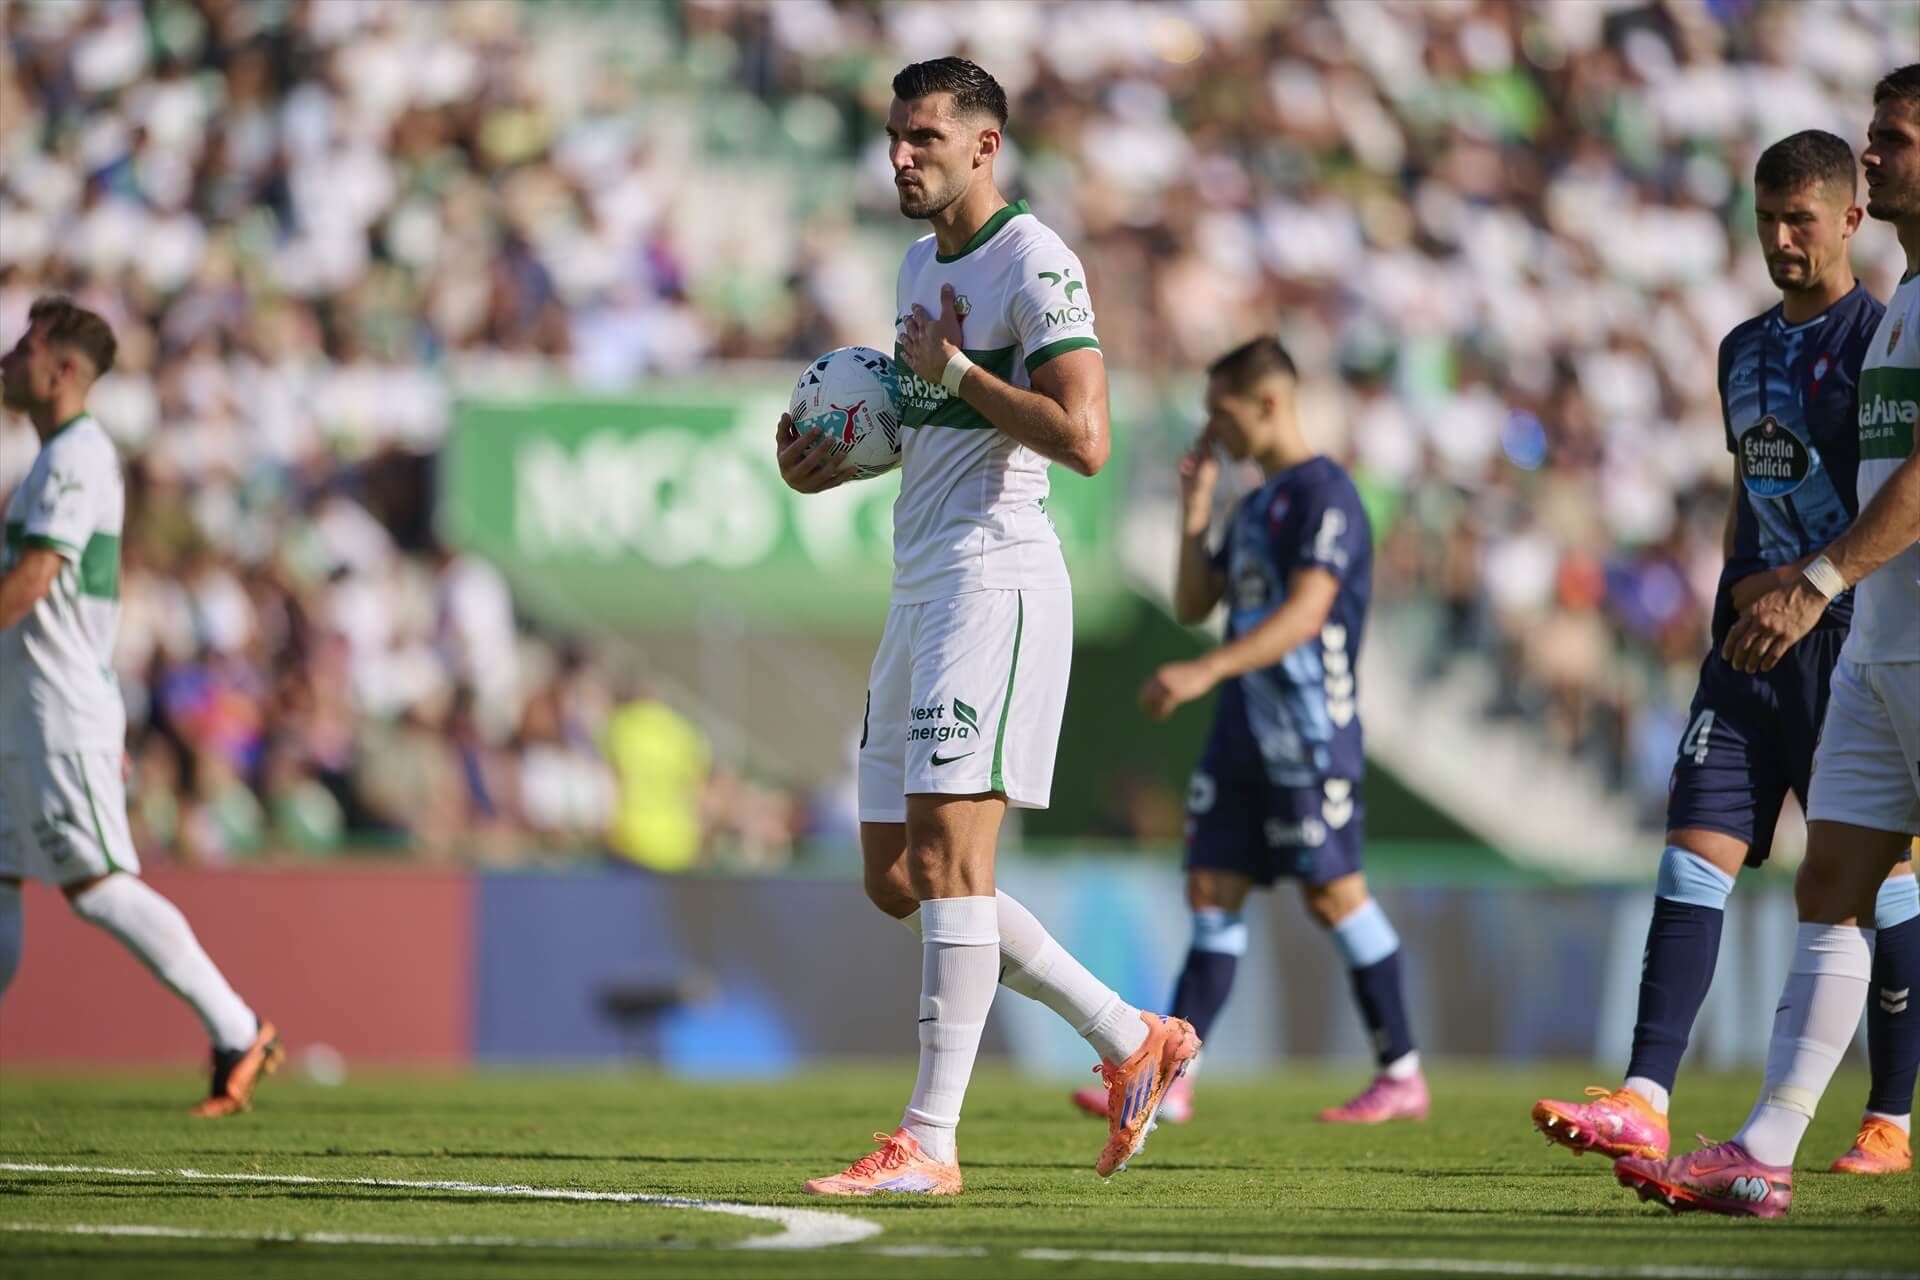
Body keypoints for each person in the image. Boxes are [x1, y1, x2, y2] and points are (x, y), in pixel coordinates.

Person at [775, 57, 1198, 1196]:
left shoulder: (1034, 259)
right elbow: (934, 425)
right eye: (893, 136)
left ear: (984, 147)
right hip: (921, 584)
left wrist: (956, 366)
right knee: (894, 873)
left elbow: (1086, 434)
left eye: (923, 137)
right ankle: (1131, 1033)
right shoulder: (921, 261)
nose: (901, 155)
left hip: (995, 583)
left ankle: (930, 1139)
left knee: (953, 863)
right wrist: (833, 463)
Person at [1533, 131, 1915, 1178]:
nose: (1782, 239)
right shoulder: (1739, 348)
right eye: (1766, 219)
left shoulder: (1884, 342)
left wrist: (1816, 589)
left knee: (1880, 887)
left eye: (1802, 219)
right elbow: (1755, 484)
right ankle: (1646, 1095)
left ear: (1849, 219)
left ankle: (1890, 1113)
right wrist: (1738, 586)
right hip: (1747, 647)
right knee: (1690, 858)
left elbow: (1894, 507)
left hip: (1851, 643)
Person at [1072, 335, 1426, 1129]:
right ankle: (1171, 1081)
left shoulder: (1325, 494)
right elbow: (1196, 601)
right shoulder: (1254, 501)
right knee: (1211, 893)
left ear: (1267, 402)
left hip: (1307, 732)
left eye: (1220, 411)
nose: (1212, 428)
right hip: (1243, 735)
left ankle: (1401, 1071)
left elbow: (1307, 615)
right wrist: (1197, 508)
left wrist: (1205, 671)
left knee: (1335, 898)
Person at [0, 296, 280, 1116]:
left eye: (22, 348)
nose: (7, 361)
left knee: (98, 886)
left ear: (61, 369)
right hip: (22, 709)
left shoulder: (78, 457)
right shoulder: (47, 460)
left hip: (59, 711)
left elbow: (35, 578)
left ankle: (237, 1026)